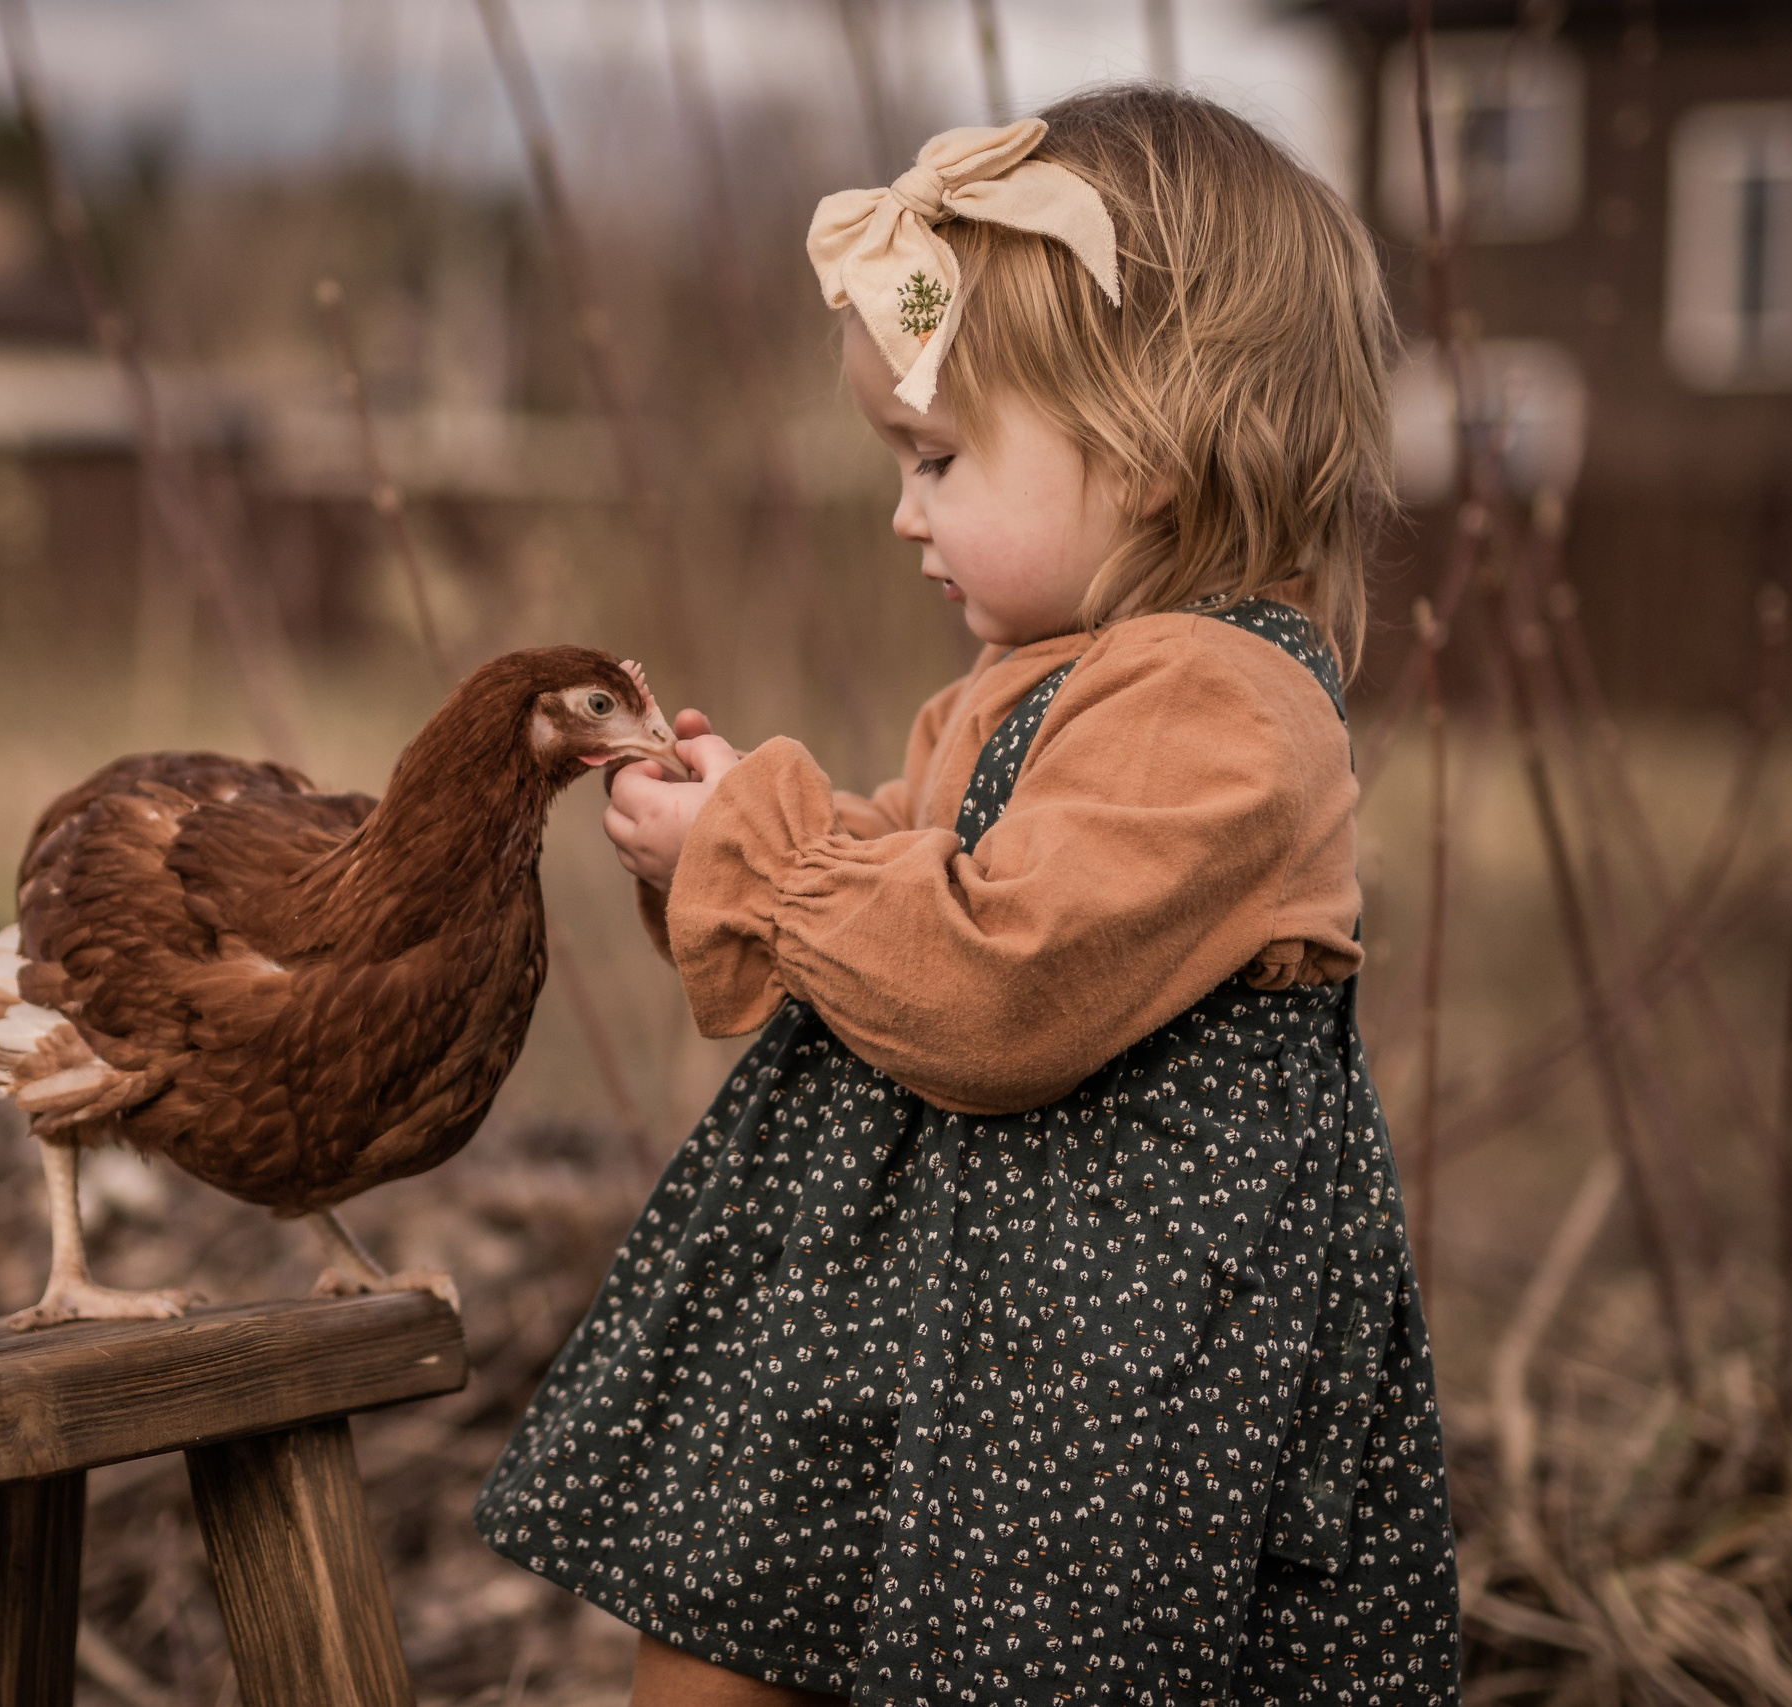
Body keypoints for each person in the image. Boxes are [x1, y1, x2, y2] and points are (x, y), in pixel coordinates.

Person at [476, 84, 1461, 1707]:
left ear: (1146, 457)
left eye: (937, 459)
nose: (902, 511)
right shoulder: (1028, 682)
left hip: (1099, 1390)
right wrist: (726, 836)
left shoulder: (1221, 708)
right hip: (937, 1321)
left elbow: (999, 986)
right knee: (727, 1608)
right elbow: (895, 906)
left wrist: (766, 852)